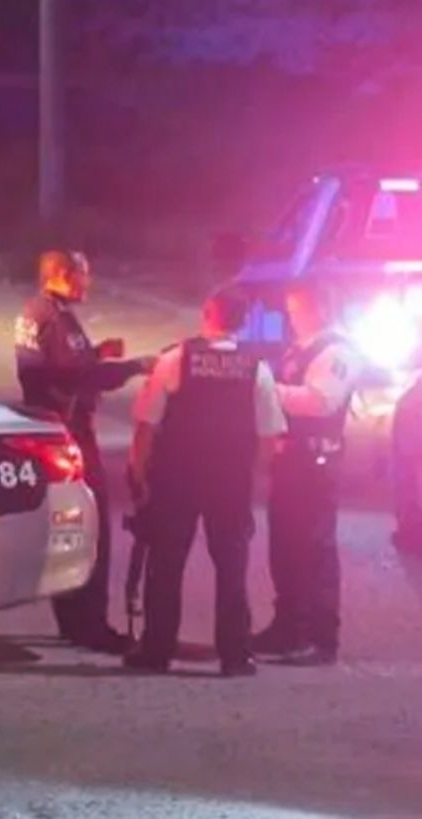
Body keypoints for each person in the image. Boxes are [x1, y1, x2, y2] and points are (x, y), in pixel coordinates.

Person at [124, 288, 286, 677]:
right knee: (232, 566)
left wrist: (138, 474)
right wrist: (253, 480)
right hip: (229, 481)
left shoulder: (176, 359)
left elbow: (147, 426)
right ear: (243, 321)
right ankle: (235, 655)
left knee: (166, 564)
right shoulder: (257, 368)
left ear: (207, 314)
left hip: (176, 478)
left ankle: (157, 650)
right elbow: (270, 437)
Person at [14, 249, 154, 653]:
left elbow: (63, 365)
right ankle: (91, 625)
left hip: (48, 429)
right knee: (91, 529)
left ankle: (73, 621)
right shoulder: (55, 317)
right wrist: (136, 366)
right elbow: (82, 376)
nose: (87, 282)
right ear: (61, 273)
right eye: (82, 274)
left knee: (69, 528)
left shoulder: (34, 311)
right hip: (70, 431)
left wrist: (97, 352)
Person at [252, 284, 364, 666]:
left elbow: (320, 401)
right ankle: (287, 627)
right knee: (285, 546)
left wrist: (269, 390)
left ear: (320, 309)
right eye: (291, 310)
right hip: (291, 460)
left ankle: (319, 637)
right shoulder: (300, 348)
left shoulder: (338, 352)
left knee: (314, 549)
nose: (293, 318)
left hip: (316, 462)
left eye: (299, 310)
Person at [394, 376, 422, 555]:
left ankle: (411, 536)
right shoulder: (413, 396)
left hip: (411, 454)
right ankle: (411, 535)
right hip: (412, 455)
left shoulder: (412, 395)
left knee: (411, 495)